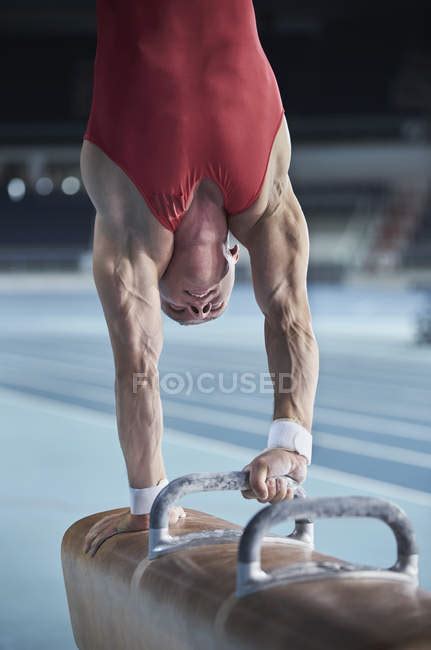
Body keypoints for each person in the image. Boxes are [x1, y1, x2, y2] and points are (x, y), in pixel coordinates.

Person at [81, 0, 319, 556]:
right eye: (208, 310)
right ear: (236, 258)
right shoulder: (265, 200)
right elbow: (289, 315)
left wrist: (149, 502)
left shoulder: (130, 231)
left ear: (154, 280)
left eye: (179, 309)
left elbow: (138, 364)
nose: (198, 305)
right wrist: (291, 443)